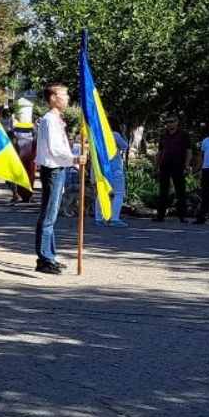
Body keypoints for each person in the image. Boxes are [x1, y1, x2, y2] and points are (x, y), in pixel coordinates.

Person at [32, 83, 83, 274]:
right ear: (53, 98)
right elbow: (55, 148)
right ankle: (44, 259)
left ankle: (49, 255)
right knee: (48, 215)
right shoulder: (50, 120)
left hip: (57, 169)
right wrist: (75, 158)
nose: (68, 98)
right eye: (64, 95)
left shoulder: (55, 120)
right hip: (53, 169)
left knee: (51, 215)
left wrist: (73, 160)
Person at [152, 113, 191, 222]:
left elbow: (188, 151)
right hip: (165, 165)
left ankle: (182, 217)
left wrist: (187, 165)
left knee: (180, 191)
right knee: (163, 191)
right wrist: (156, 166)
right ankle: (160, 216)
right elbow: (159, 152)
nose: (169, 124)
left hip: (178, 165)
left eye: (172, 121)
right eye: (167, 122)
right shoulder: (163, 135)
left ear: (177, 122)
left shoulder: (184, 135)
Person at [95, 131, 130, 227]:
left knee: (102, 192)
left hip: (102, 168)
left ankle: (99, 218)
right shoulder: (114, 135)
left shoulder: (97, 134)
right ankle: (114, 218)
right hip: (115, 169)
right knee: (119, 193)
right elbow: (125, 146)